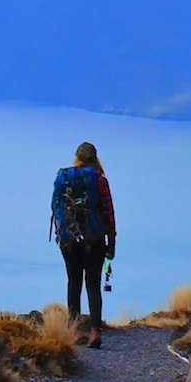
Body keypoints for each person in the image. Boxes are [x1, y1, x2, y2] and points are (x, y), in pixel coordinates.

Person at [50, 141, 116, 345]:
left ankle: (74, 329)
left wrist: (61, 234)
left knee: (73, 281)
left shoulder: (63, 177)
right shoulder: (99, 180)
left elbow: (55, 207)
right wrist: (111, 241)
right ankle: (95, 331)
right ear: (95, 159)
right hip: (93, 239)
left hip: (68, 239)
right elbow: (108, 212)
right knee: (93, 284)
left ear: (76, 158)